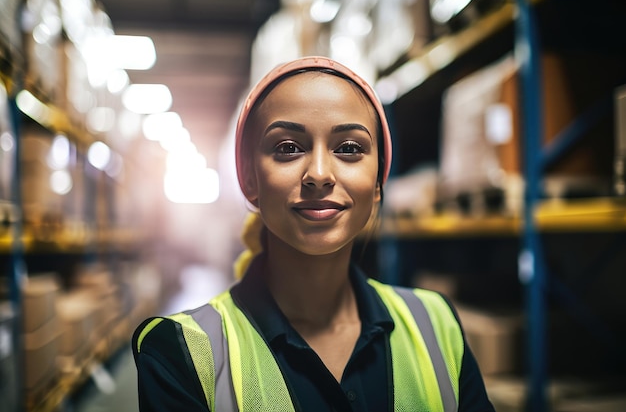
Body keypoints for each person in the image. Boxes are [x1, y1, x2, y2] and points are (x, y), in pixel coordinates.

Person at [132, 56, 495, 412]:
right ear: (249, 179)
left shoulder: (436, 324)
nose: (319, 173)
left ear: (378, 182)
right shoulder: (182, 352)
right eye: (288, 148)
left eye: (349, 149)